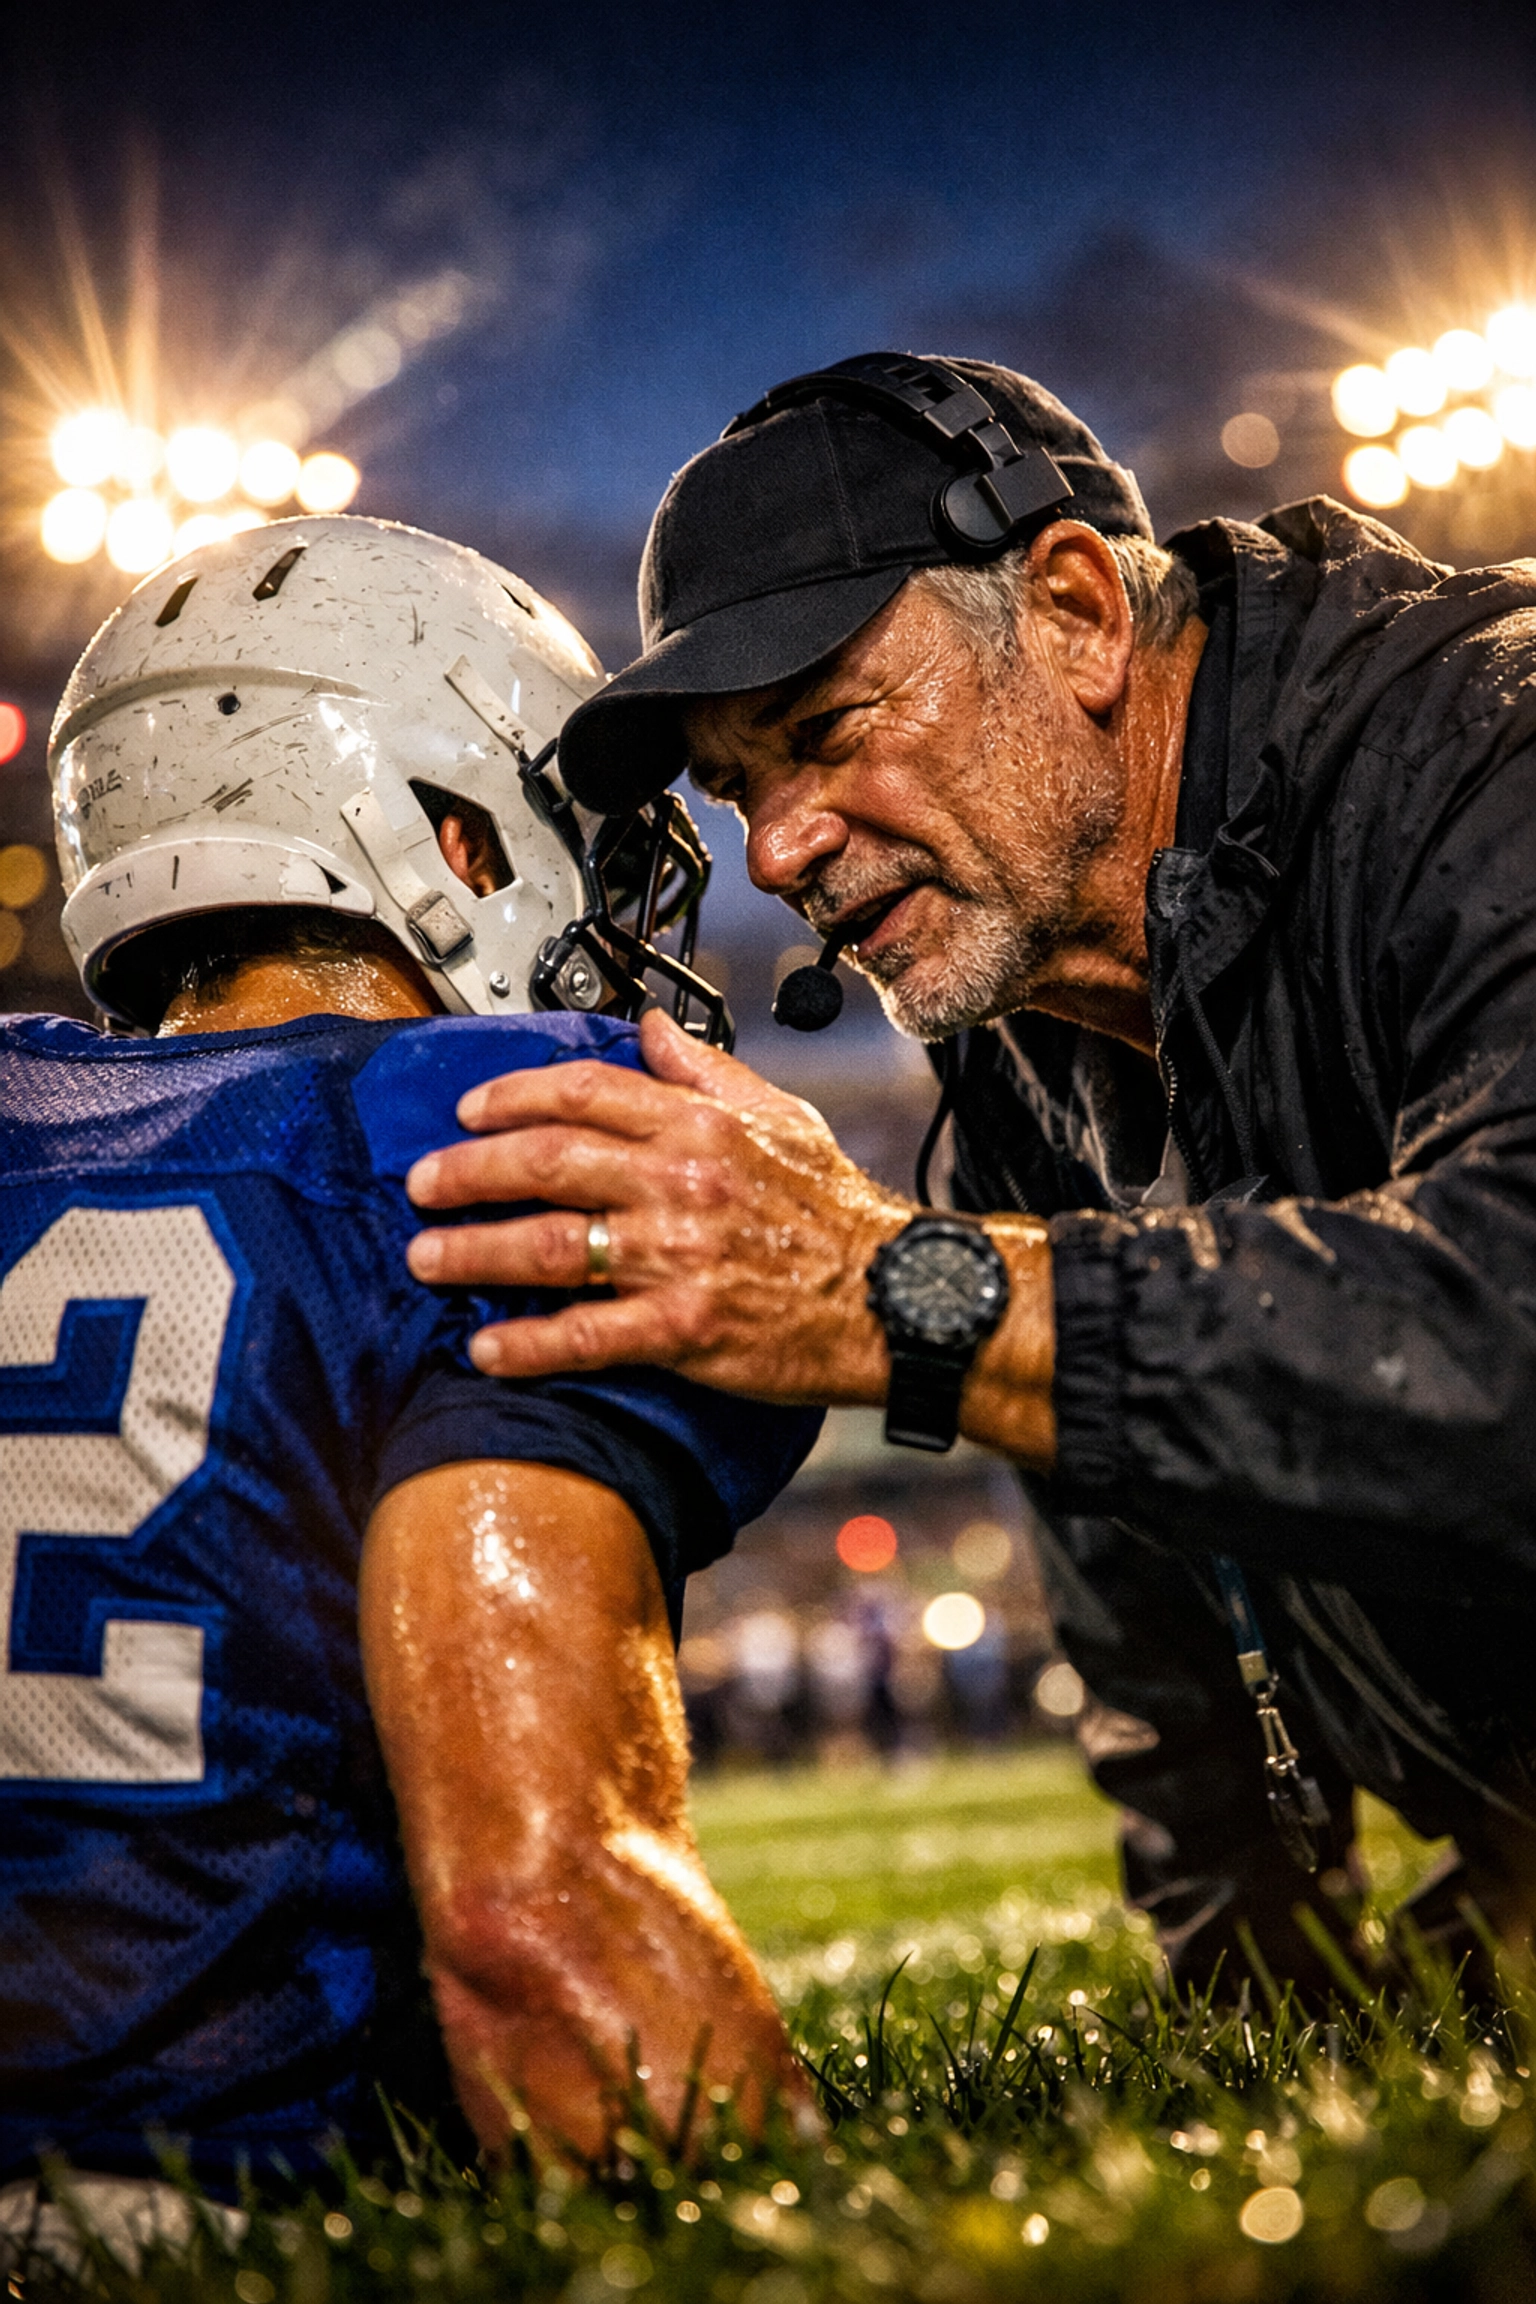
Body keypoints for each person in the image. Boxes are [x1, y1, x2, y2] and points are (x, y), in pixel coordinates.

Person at [402, 350, 1536, 1990]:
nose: (775, 851)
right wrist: (1253, 1973)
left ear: (1077, 612)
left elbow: (1508, 1332)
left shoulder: (1493, 747)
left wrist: (900, 1291)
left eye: (827, 730)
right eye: (739, 788)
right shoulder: (1022, 1012)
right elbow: (1132, 1555)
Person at [0, 513, 817, 2226]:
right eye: (582, 848)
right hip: (208, 2208)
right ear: (457, 839)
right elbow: (541, 1935)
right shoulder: (495, 1127)